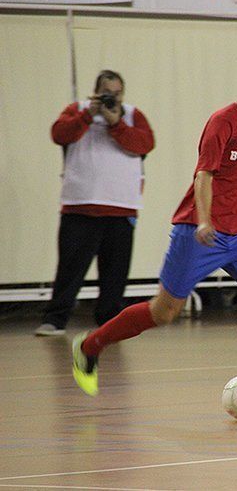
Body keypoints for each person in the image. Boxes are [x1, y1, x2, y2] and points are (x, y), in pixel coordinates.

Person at [71, 50, 237, 415]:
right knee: (164, 312)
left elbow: (236, 178)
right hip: (198, 231)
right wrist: (206, 220)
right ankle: (89, 347)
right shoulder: (223, 120)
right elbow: (204, 175)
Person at [35, 70, 155, 337]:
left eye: (116, 93)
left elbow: (144, 144)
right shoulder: (77, 110)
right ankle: (55, 319)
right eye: (106, 92)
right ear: (96, 91)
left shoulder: (133, 115)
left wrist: (116, 123)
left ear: (123, 93)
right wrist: (89, 114)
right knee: (69, 269)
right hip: (80, 205)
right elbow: (59, 134)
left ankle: (110, 322)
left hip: (121, 208)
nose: (111, 98)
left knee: (115, 274)